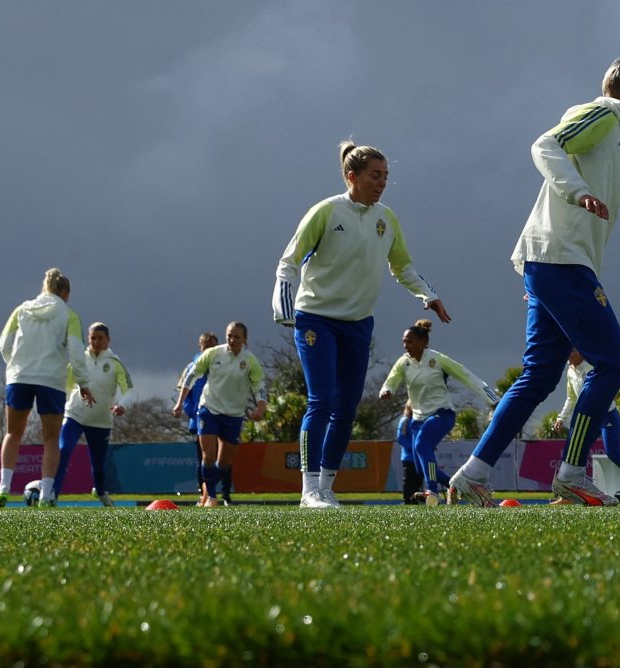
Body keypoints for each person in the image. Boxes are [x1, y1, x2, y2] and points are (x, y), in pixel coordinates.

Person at [447, 59, 620, 508]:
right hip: (560, 261)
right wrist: (575, 190)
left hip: (552, 261)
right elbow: (545, 144)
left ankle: (472, 474)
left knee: (539, 375)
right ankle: (572, 472)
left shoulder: (615, 134)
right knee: (612, 363)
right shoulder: (604, 114)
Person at [274, 142, 451, 509]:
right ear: (351, 176)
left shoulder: (386, 218)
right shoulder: (326, 211)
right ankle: (309, 490)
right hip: (316, 319)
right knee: (321, 401)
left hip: (357, 323)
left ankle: (325, 488)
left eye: (386, 176)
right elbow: (288, 262)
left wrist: (427, 294)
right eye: (375, 175)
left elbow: (401, 266)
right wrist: (284, 304)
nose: (382, 182)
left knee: (347, 408)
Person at [0, 268, 92, 508]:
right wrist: (83, 383)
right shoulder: (69, 315)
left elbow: (3, 344)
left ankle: (3, 488)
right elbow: (77, 354)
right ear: (65, 293)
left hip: (20, 377)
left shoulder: (21, 309)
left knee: (13, 433)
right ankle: (47, 494)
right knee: (50, 439)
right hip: (51, 380)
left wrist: (16, 366)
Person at [378, 319, 499, 506]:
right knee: (421, 467)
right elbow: (391, 380)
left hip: (442, 413)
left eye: (409, 341)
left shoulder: (437, 359)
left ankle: (431, 491)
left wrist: (493, 399)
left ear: (423, 343)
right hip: (417, 419)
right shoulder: (404, 363)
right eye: (404, 341)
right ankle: (457, 488)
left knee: (421, 445)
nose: (405, 345)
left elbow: (465, 375)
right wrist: (386, 390)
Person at [174, 322, 266, 507]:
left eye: (236, 336)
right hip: (209, 409)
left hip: (233, 415)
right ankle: (212, 498)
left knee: (224, 463)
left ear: (244, 339)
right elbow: (191, 376)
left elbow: (259, 385)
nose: (232, 339)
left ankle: (207, 494)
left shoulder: (250, 361)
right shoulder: (213, 353)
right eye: (229, 335)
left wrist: (260, 406)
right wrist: (179, 403)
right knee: (208, 455)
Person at [554, 350, 620, 503]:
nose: (567, 355)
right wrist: (561, 417)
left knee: (614, 454)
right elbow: (571, 398)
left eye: (571, 351)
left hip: (607, 415)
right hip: (588, 417)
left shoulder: (592, 367)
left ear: (579, 352)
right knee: (574, 451)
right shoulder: (570, 371)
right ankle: (569, 495)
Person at [52, 322, 132, 506]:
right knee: (64, 450)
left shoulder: (115, 362)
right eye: (92, 338)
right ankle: (52, 495)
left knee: (98, 464)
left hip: (101, 419)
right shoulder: (79, 359)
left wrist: (121, 405)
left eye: (100, 338)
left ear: (108, 340)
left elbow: (128, 389)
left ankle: (101, 492)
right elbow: (68, 384)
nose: (96, 341)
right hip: (75, 414)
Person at [178, 332, 218, 502]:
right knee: (203, 457)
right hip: (200, 418)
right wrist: (193, 412)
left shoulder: (222, 366)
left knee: (222, 456)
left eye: (212, 345)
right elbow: (184, 392)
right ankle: (204, 494)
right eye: (205, 345)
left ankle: (224, 495)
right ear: (200, 346)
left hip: (221, 415)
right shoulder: (192, 367)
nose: (208, 348)